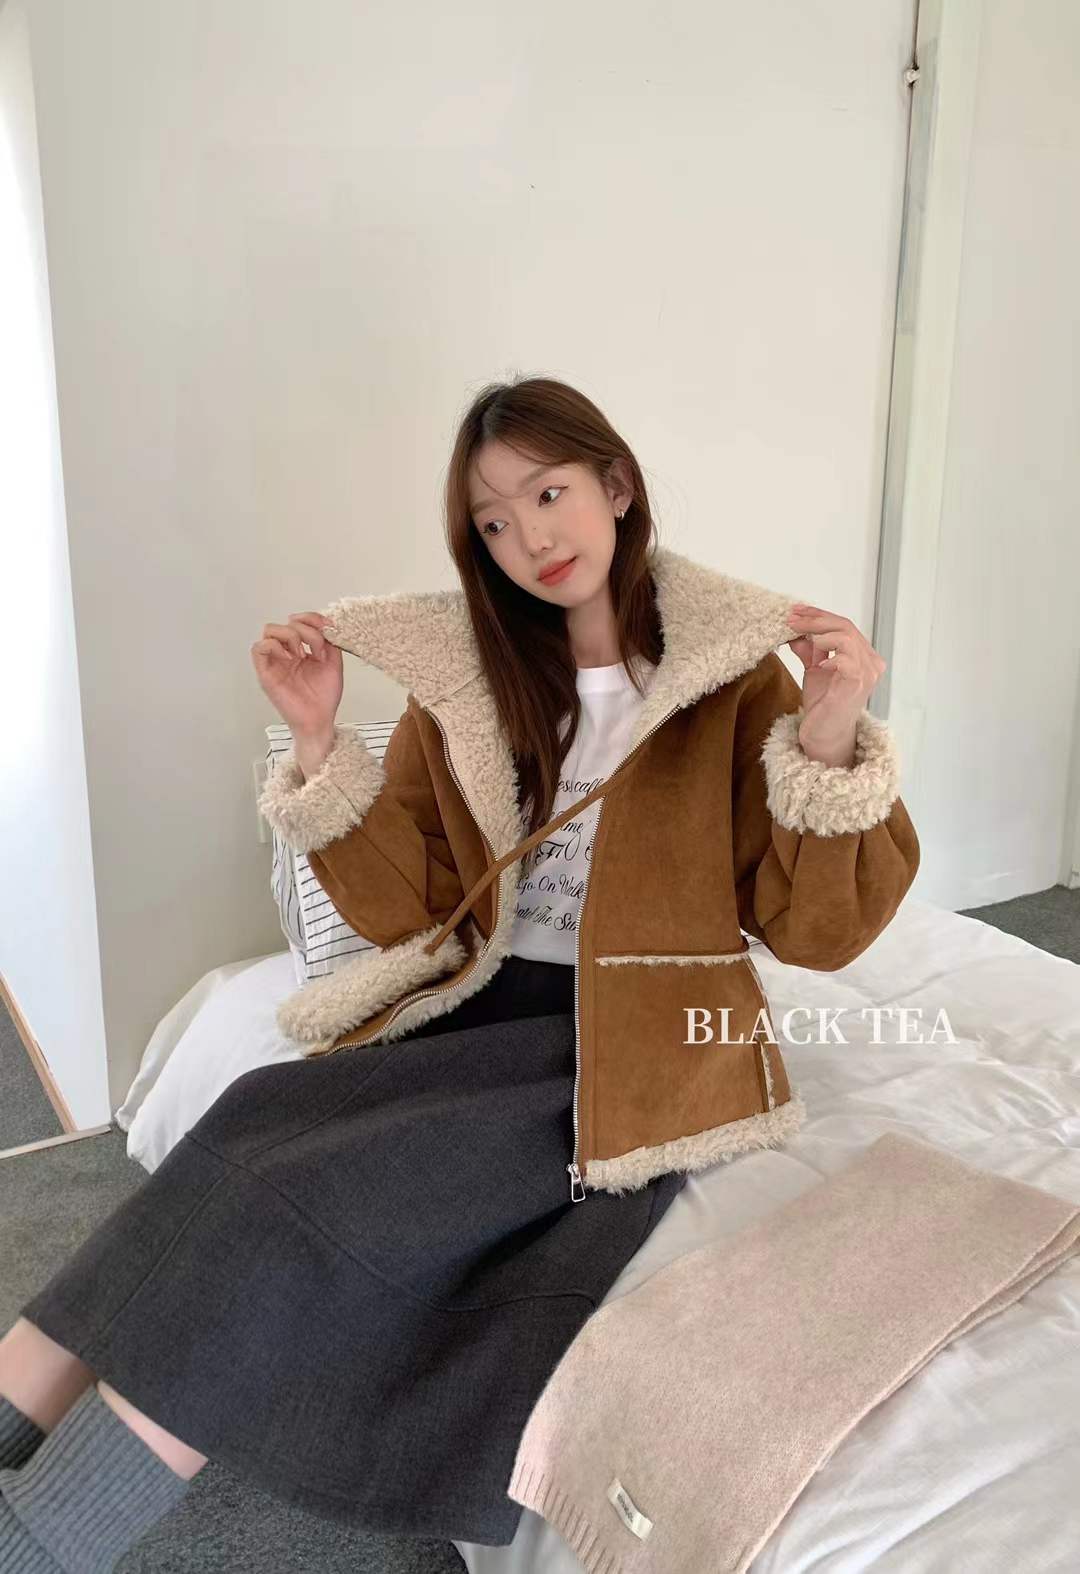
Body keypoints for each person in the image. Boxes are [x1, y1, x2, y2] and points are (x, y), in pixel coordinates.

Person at [0, 375, 919, 1569]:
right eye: (494, 519)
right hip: (474, 1010)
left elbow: (816, 932)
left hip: (624, 1041)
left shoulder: (733, 685)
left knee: (303, 1208)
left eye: (549, 492)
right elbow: (412, 909)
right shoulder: (473, 692)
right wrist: (321, 738)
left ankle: (36, 1540)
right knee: (249, 1125)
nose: (531, 535)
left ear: (616, 486)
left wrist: (831, 732)